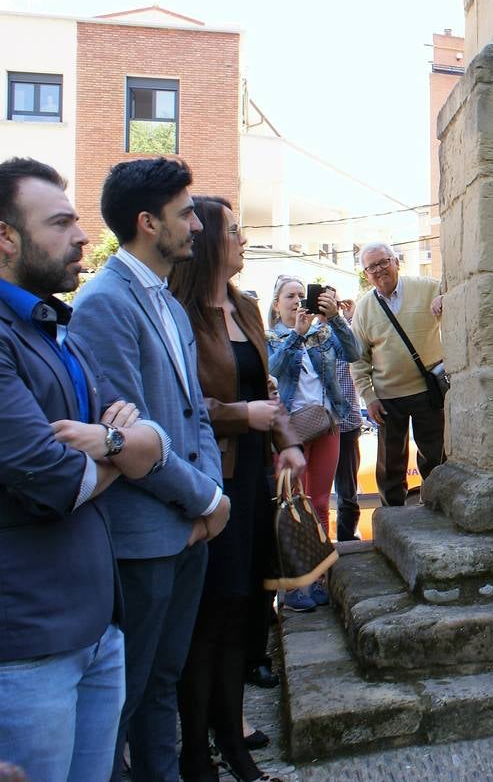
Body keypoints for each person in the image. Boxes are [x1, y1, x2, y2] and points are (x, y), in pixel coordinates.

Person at [0, 158, 171, 782]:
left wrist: (109, 440)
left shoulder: (50, 328)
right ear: (5, 237)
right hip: (27, 648)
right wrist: (120, 450)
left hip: (99, 626)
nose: (82, 235)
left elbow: (147, 437)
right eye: (62, 222)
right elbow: (53, 480)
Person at [70, 157, 231, 782]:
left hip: (188, 527)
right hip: (143, 538)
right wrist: (207, 502)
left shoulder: (165, 297)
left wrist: (212, 497)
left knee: (163, 682)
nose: (197, 224)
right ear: (147, 222)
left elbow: (191, 418)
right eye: (185, 213)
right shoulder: (104, 303)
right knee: (125, 697)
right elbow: (133, 441)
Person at [168, 197, 304, 781]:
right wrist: (238, 416)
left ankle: (233, 739)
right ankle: (197, 752)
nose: (244, 239)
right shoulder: (177, 310)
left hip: (252, 474)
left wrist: (287, 438)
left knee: (245, 607)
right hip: (209, 476)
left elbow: (266, 390)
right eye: (235, 231)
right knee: (211, 616)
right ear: (206, 243)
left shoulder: (247, 306)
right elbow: (179, 403)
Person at [268, 275, 359, 609]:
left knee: (320, 502)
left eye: (301, 295)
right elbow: (274, 369)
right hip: (288, 429)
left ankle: (317, 579)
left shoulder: (323, 333)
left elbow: (354, 352)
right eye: (289, 296)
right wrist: (295, 335)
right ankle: (294, 587)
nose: (296, 301)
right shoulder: (271, 337)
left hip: (326, 424)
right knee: (292, 503)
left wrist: (334, 318)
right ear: (276, 304)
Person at [350, 243, 445, 507]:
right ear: (365, 275)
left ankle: (436, 507)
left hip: (428, 390)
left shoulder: (426, 287)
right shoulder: (364, 307)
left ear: (396, 263)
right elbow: (358, 358)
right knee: (390, 463)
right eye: (372, 267)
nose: (379, 270)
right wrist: (368, 397)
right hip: (387, 397)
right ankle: (391, 515)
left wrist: (444, 297)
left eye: (384, 262)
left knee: (435, 457)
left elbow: (456, 284)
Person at [332, 296, 365, 542]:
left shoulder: (344, 332)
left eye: (332, 300)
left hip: (347, 423)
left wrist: (349, 317)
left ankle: (346, 541)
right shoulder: (307, 332)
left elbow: (358, 351)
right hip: (317, 425)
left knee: (347, 492)